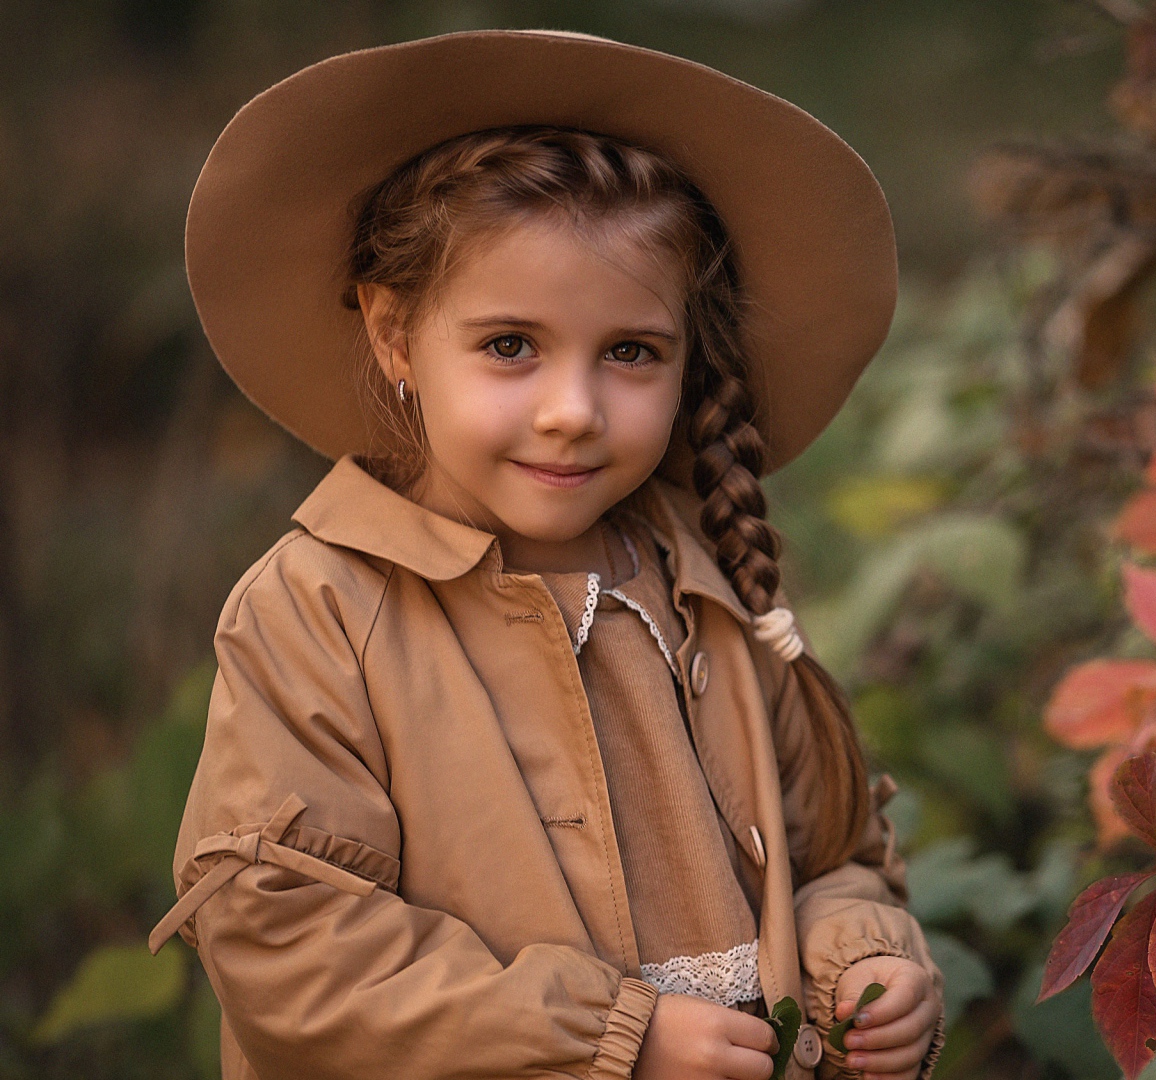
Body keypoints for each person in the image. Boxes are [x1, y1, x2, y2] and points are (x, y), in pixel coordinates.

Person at [145, 29, 944, 1080]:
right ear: (395, 337)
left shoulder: (705, 582)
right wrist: (616, 1038)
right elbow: (286, 941)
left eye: (630, 352)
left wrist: (859, 965)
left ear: (687, 357)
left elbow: (833, 856)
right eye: (510, 345)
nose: (572, 412)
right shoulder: (318, 610)